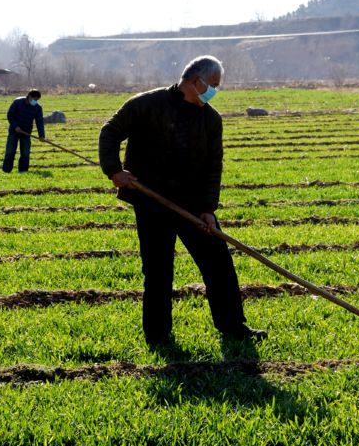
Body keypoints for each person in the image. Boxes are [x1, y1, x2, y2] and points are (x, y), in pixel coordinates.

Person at [97, 55, 265, 349]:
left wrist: (209, 209)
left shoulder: (212, 119)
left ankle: (233, 327)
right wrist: (114, 170)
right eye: (212, 85)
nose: (214, 91)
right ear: (194, 80)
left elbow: (214, 166)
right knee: (158, 271)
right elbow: (110, 132)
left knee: (219, 264)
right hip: (152, 202)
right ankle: (158, 337)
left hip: (192, 204)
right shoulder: (146, 104)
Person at [2, 89, 45, 173]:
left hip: (26, 132)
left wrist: (41, 135)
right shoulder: (17, 102)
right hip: (14, 131)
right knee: (10, 152)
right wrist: (15, 126)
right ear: (29, 96)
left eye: (37, 100)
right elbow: (10, 115)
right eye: (34, 99)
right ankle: (6, 170)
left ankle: (23, 170)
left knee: (25, 153)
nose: (35, 102)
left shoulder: (37, 108)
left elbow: (39, 122)